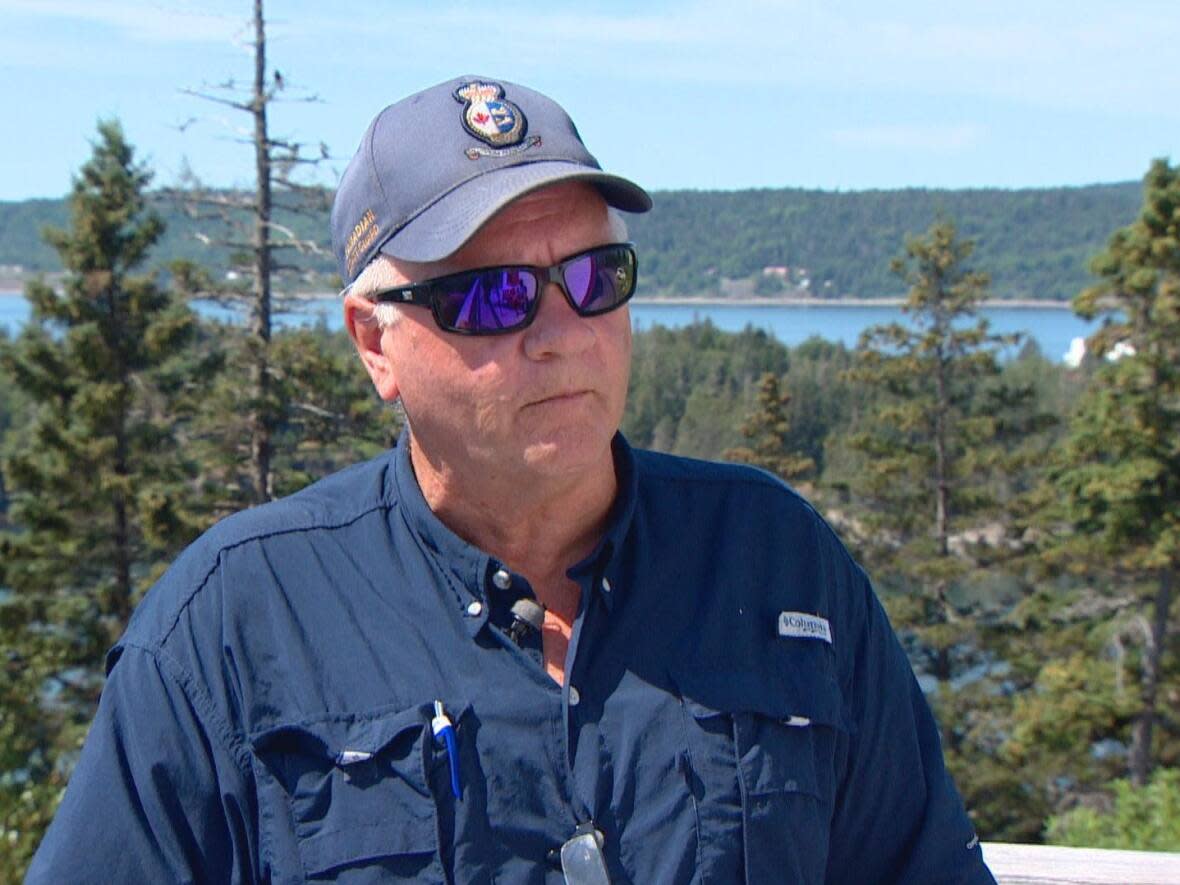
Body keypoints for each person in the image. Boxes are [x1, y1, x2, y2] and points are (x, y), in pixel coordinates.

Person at [28, 76, 995, 884]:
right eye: (491, 295)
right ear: (376, 342)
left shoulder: (779, 568)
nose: (560, 332)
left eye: (593, 278)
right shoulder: (233, 625)